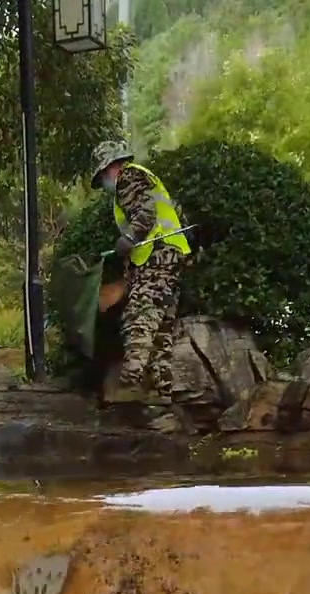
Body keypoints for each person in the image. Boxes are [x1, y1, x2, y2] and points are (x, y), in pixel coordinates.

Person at [89, 141, 190, 409]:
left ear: (111, 166)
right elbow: (176, 213)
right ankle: (162, 393)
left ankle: (130, 384)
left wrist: (130, 237)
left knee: (140, 317)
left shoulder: (129, 176)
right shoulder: (149, 178)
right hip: (172, 257)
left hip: (156, 257)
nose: (105, 183)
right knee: (161, 331)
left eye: (102, 176)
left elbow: (145, 212)